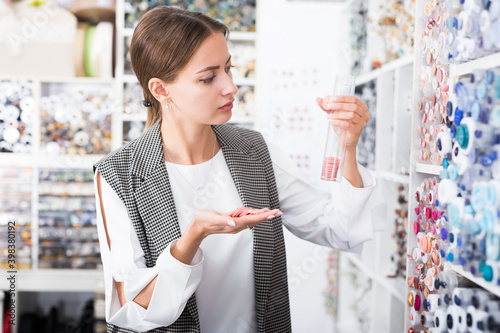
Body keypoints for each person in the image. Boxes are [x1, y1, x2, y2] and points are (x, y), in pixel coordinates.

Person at [94, 5, 375, 333]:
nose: (230, 87)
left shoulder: (254, 150)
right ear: (161, 90)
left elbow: (340, 229)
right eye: (208, 77)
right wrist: (193, 237)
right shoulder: (119, 174)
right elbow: (134, 309)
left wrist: (348, 146)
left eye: (228, 68)